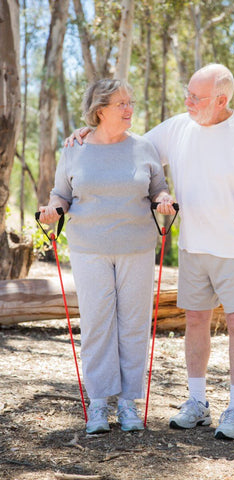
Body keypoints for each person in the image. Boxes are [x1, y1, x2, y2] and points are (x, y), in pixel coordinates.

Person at [66, 63, 234, 440]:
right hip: (193, 247)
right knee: (195, 322)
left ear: (221, 99)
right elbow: (124, 146)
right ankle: (197, 403)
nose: (188, 101)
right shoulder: (179, 126)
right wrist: (87, 131)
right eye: (188, 93)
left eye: (196, 97)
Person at [39, 78, 175, 435]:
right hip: (89, 249)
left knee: (133, 324)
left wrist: (163, 199)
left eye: (130, 102)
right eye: (121, 104)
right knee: (98, 324)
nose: (129, 109)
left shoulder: (144, 147)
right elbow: (60, 194)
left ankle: (129, 402)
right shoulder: (74, 149)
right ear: (100, 111)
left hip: (137, 248)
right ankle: (98, 403)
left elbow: (158, 187)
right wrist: (53, 209)